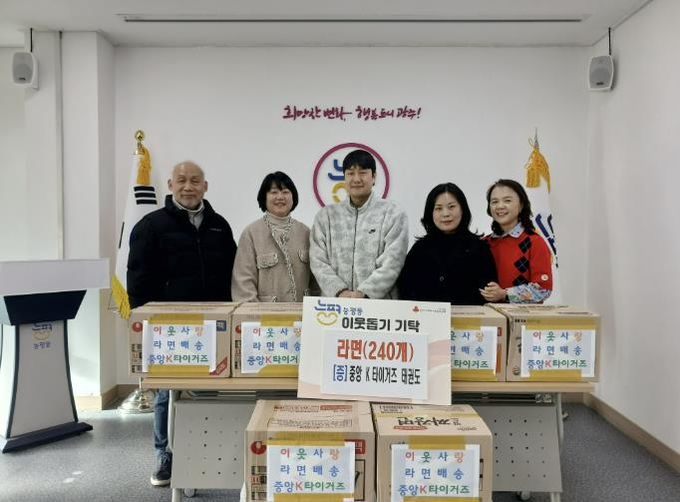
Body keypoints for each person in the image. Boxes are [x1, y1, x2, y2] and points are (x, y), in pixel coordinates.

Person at [127, 161, 237, 487]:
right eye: (181, 181)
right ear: (170, 185)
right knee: (167, 395)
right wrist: (145, 325)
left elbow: (232, 276)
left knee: (209, 393)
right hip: (169, 329)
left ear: (205, 186)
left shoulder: (219, 226)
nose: (188, 187)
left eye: (195, 181)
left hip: (213, 327)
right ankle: (166, 455)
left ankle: (205, 453)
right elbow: (137, 282)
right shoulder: (150, 226)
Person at [310, 149, 408, 299]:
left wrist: (365, 293)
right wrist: (340, 291)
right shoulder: (326, 216)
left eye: (363, 173)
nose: (356, 179)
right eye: (350, 173)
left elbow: (393, 261)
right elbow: (318, 260)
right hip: (335, 305)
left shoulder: (393, 213)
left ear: (374, 177)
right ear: (344, 177)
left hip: (380, 307)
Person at [398, 183, 497, 304]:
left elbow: (488, 293)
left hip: (468, 315)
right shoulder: (419, 248)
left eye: (451, 207)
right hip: (426, 315)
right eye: (438, 208)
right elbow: (405, 289)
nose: (445, 214)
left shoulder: (479, 248)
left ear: (462, 209)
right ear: (430, 212)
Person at [231, 171, 316, 302]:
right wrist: (254, 314)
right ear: (264, 197)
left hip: (302, 311)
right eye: (274, 192)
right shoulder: (251, 233)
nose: (280, 197)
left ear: (293, 197)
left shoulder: (306, 233)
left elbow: (316, 281)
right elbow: (243, 285)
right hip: (265, 314)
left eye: (285, 192)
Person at [480, 178, 552, 303]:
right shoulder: (484, 243)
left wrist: (505, 294)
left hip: (524, 315)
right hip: (487, 314)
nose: (500, 206)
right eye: (494, 202)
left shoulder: (534, 242)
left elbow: (543, 288)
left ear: (521, 205)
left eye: (507, 200)